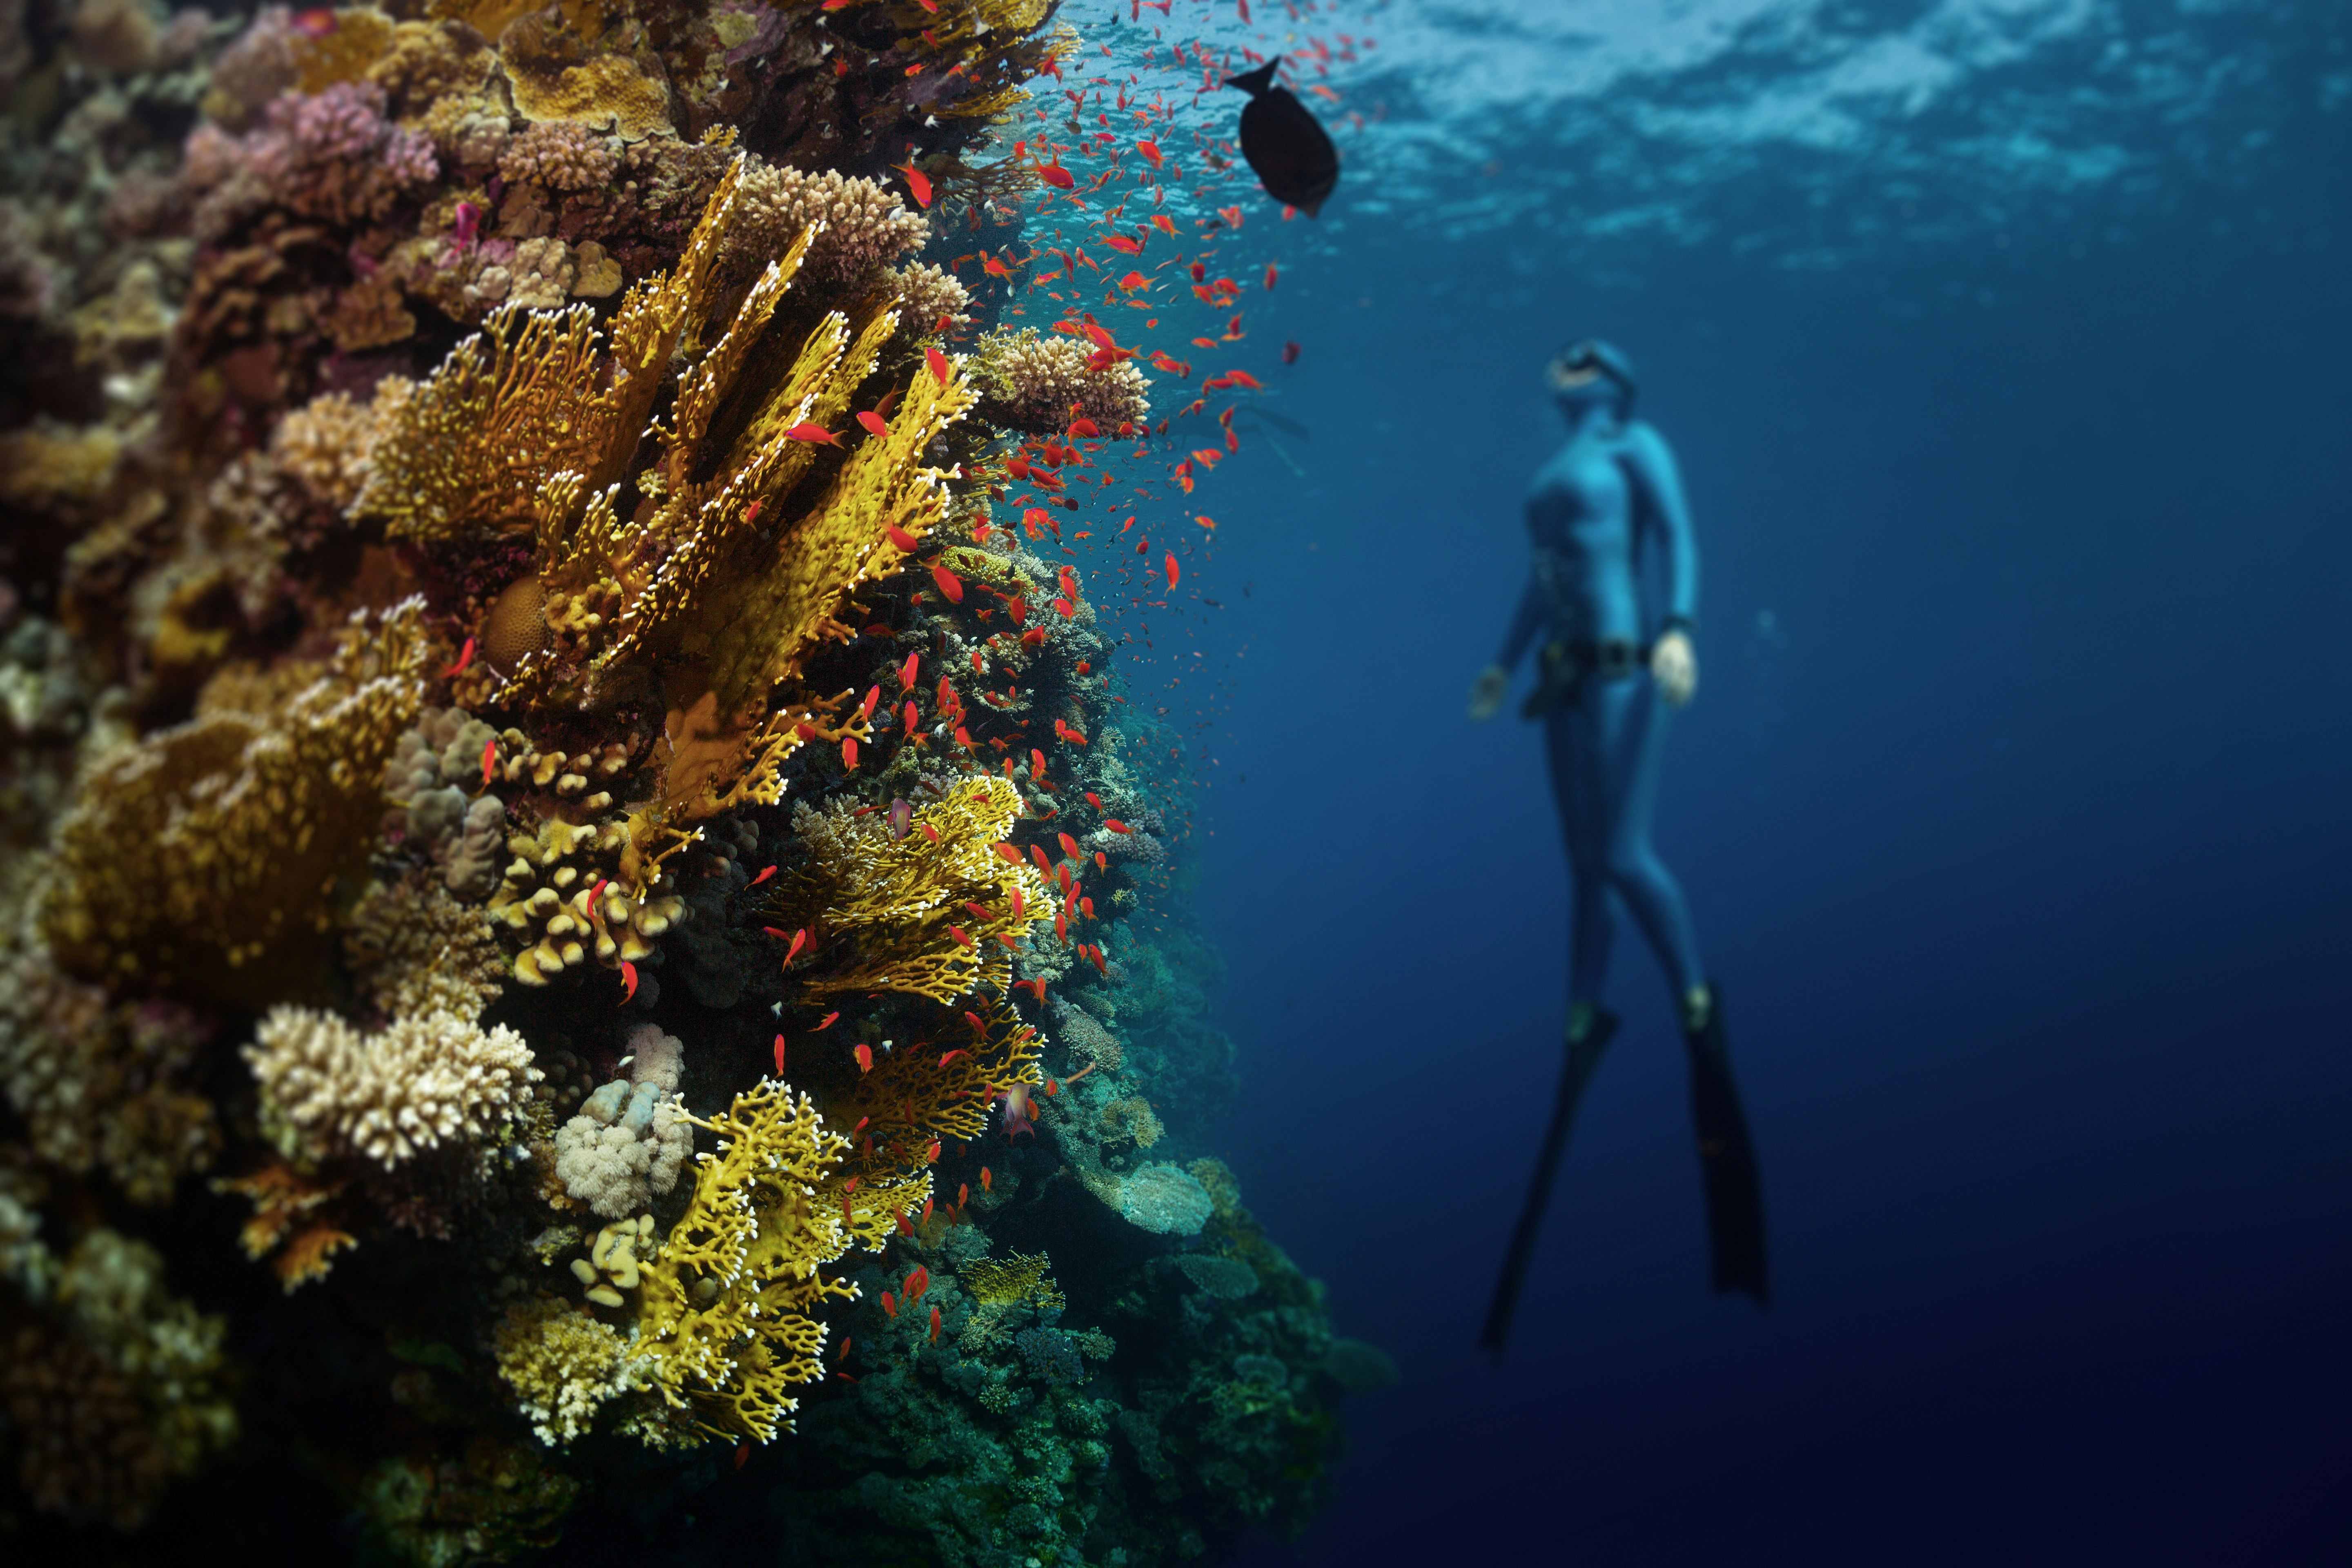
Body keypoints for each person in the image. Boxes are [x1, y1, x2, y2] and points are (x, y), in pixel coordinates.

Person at [1472, 341, 1766, 1355]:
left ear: (1622, 380)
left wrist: (1681, 624)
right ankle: (1583, 1011)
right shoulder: (1559, 469)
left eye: (1591, 356)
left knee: (1625, 853)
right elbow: (1539, 576)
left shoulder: (1639, 444)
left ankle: (1693, 1004)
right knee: (1583, 866)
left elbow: (1678, 541)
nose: (1568, 361)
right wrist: (1503, 667)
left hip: (1625, 667)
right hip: (1560, 680)